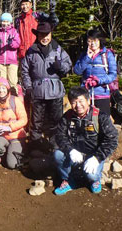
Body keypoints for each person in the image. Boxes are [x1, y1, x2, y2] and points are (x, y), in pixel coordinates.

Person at [53, 86, 118, 195]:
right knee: (58, 155)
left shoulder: (100, 116)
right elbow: (60, 136)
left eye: (81, 101)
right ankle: (68, 180)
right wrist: (70, 150)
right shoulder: (67, 117)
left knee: (91, 175)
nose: (78, 105)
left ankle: (95, 180)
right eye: (74, 102)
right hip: (75, 154)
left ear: (88, 101)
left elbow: (112, 139)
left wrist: (97, 158)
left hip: (94, 155)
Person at [21, 21, 72, 152]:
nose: (44, 38)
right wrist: (28, 86)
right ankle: (35, 147)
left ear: (51, 34)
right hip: (37, 91)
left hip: (55, 91)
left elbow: (68, 65)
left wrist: (60, 66)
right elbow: (24, 71)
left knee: (56, 120)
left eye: (47, 34)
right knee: (36, 121)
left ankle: (55, 146)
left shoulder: (58, 49)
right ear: (37, 35)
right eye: (41, 35)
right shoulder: (31, 51)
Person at [73, 29, 117, 115]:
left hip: (102, 94)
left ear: (100, 40)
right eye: (89, 41)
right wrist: (87, 58)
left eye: (95, 40)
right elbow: (77, 71)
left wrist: (98, 80)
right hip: (86, 95)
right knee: (87, 122)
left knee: (103, 121)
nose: (92, 43)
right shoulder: (84, 55)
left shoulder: (107, 54)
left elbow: (113, 75)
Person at [0, 78, 28, 169]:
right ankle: (4, 154)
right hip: (2, 136)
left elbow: (24, 119)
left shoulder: (15, 100)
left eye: (3, 88)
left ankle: (17, 150)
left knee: (12, 165)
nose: (1, 91)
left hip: (16, 136)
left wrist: (9, 128)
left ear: (8, 89)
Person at [0, 13, 21, 95]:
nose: (5, 23)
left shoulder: (14, 32)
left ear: (10, 22)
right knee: (1, 82)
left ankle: (14, 100)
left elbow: (17, 44)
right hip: (0, 61)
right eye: (3, 21)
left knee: (13, 81)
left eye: (7, 21)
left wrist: (11, 43)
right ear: (1, 22)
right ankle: (2, 100)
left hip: (12, 61)